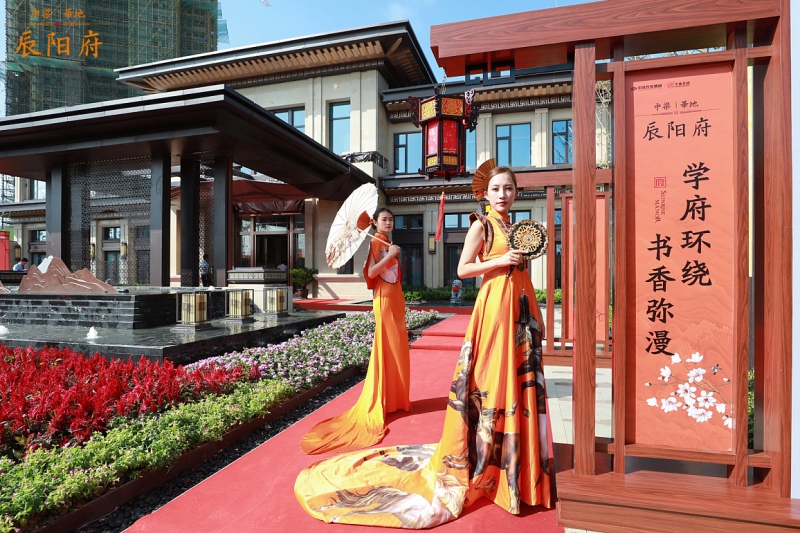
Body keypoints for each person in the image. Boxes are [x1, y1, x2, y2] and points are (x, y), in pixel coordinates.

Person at [295, 166, 552, 528]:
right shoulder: (482, 225)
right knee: (492, 381)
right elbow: (463, 269)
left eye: (508, 188)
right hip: (494, 310)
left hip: (520, 313)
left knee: (519, 381)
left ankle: (519, 464)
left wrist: (535, 312)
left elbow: (521, 273)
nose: (502, 194)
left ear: (516, 193)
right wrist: (499, 260)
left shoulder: (517, 228)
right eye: (496, 188)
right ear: (486, 193)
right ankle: (489, 463)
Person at [299, 207, 411, 455]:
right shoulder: (376, 243)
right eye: (384, 219)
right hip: (384, 298)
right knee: (387, 346)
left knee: (398, 347)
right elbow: (370, 273)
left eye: (391, 219)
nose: (389, 222)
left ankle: (395, 399)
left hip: (396, 297)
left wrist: (391, 252)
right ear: (375, 223)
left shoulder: (385, 242)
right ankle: (384, 398)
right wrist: (391, 255)